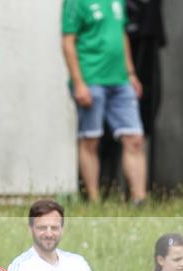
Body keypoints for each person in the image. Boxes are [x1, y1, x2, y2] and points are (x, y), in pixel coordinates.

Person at [61, 0, 147, 205]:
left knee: (134, 138)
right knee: (90, 140)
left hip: (120, 80)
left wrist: (131, 73)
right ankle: (93, 198)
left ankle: (139, 199)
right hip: (91, 79)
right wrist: (78, 83)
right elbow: (68, 42)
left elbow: (121, 34)